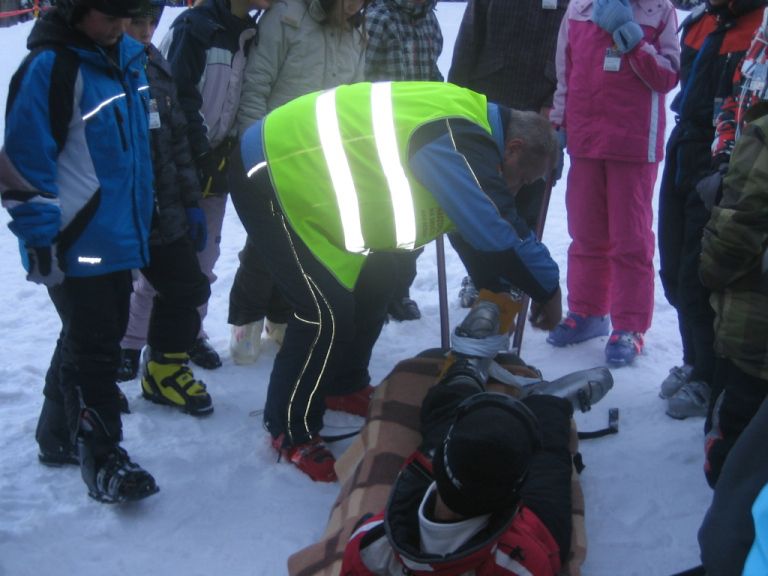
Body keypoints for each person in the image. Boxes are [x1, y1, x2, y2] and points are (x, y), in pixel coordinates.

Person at [230, 81, 563, 482]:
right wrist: (548, 289)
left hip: (312, 181)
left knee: (384, 274)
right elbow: (496, 228)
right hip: (271, 170)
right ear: (515, 148)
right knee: (324, 312)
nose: (519, 188)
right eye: (524, 178)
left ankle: (344, 383)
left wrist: (496, 284)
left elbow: (470, 228)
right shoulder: (458, 138)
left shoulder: (475, 129)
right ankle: (289, 428)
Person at [0, 0, 158, 502]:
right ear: (73, 10)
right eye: (107, 16)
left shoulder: (126, 59)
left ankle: (57, 435)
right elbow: (24, 166)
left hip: (118, 233)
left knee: (88, 334)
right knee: (96, 349)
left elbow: (137, 149)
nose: (117, 27)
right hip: (75, 237)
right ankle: (103, 459)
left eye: (124, 16)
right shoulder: (51, 68)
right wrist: (41, 239)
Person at [340, 301, 574, 575]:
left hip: (442, 488)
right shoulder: (521, 566)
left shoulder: (371, 547)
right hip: (528, 532)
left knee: (449, 424)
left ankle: (466, 370)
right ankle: (548, 403)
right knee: (548, 468)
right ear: (514, 500)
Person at [227, 0, 367, 367]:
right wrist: (253, 151)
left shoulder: (355, 32)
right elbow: (257, 84)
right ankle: (245, 324)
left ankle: (281, 317)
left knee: (302, 244)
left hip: (321, 159)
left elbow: (352, 97)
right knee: (264, 245)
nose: (356, 6)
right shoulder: (287, 18)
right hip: (273, 150)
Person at [546, 0, 680, 366]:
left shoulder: (659, 10)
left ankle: (630, 325)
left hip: (634, 143)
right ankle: (588, 312)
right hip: (586, 140)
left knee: (631, 240)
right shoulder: (578, 9)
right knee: (586, 233)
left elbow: (667, 76)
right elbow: (566, 72)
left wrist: (634, 40)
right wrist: (558, 124)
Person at [656, 0, 765, 418]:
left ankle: (710, 374)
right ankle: (693, 358)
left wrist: (730, 164)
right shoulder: (700, 24)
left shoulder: (761, 27)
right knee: (671, 259)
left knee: (701, 269)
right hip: (685, 144)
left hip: (728, 158)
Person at [153, 0, 269, 370]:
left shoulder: (252, 33)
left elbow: (243, 97)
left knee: (204, 260)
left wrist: (228, 150)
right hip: (175, 163)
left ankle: (191, 334)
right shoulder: (195, 27)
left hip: (214, 164)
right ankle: (131, 341)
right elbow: (176, 95)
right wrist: (201, 153)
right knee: (160, 261)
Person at [116, 0, 214, 416]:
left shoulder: (155, 62)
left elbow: (175, 142)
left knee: (189, 286)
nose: (144, 30)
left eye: (151, 21)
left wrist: (191, 202)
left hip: (165, 209)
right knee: (101, 310)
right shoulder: (102, 67)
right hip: (117, 215)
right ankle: (81, 399)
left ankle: (162, 370)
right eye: (135, 21)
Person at [447, 0, 569, 309]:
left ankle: (516, 281)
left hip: (538, 112)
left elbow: (574, 52)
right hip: (487, 101)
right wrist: (454, 100)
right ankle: (481, 278)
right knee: (474, 203)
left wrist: (555, 100)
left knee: (527, 200)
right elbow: (468, 41)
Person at [698, 105, 768, 488]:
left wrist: (709, 270)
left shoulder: (763, 137)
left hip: (754, 338)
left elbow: (740, 228)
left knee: (732, 459)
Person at [364, 0, 444, 323]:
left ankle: (400, 291)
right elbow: (360, 76)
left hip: (418, 136)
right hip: (381, 135)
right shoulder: (379, 17)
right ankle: (374, 293)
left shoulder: (428, 19)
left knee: (412, 218)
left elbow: (432, 71)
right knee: (381, 215)